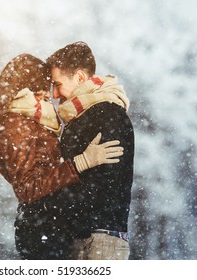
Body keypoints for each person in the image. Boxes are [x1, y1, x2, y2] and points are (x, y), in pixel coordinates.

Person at [0, 53, 124, 259]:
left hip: (48, 226)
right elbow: (27, 187)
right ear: (27, 86)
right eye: (45, 89)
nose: (50, 96)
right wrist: (81, 163)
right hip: (41, 229)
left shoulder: (29, 120)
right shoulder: (15, 125)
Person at [46, 41, 135, 260]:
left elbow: (105, 182)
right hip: (87, 236)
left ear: (79, 78)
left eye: (58, 84)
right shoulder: (83, 117)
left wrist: (51, 204)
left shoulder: (107, 114)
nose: (55, 95)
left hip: (98, 240)